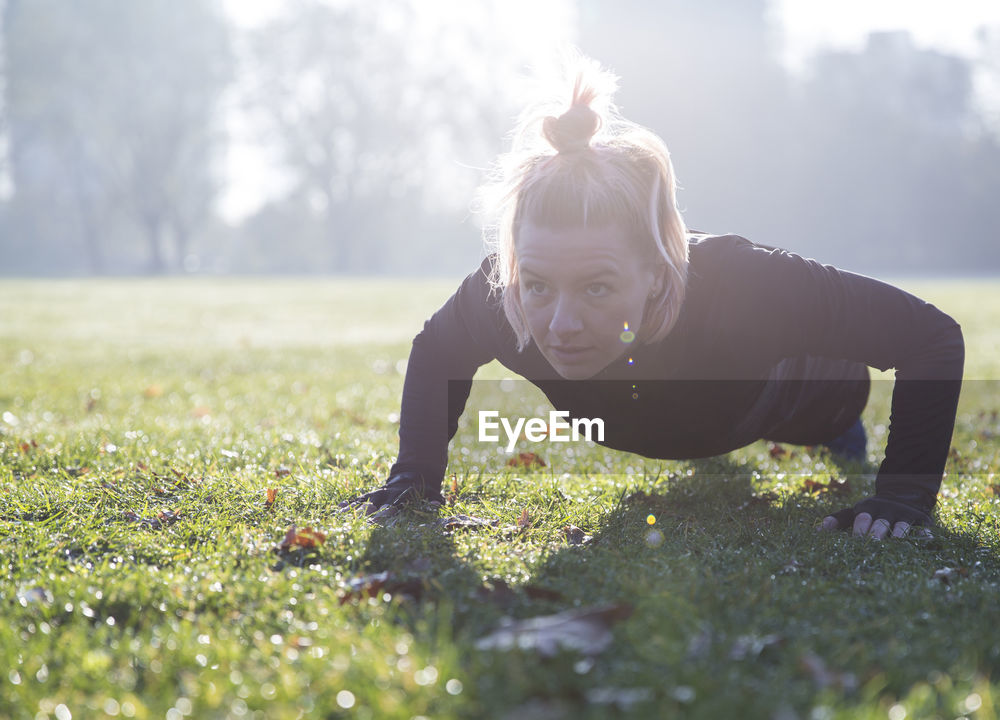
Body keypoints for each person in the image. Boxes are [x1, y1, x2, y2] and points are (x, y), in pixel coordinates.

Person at [343, 56, 963, 541]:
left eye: (597, 287)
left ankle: (838, 430)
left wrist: (904, 494)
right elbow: (437, 351)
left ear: (660, 272)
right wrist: (414, 479)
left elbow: (932, 338)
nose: (560, 323)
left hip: (796, 400)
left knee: (827, 416)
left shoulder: (746, 286)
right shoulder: (502, 295)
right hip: (648, 418)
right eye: (537, 285)